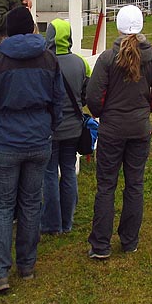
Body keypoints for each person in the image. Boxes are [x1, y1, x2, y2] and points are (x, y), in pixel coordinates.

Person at [0, 6, 64, 295]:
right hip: (39, 139)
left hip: (6, 141)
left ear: (6, 31)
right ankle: (26, 265)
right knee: (30, 204)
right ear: (31, 28)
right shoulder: (49, 58)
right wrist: (50, 127)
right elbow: (58, 101)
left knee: (3, 207)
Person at [87, 5, 152, 259]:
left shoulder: (107, 58)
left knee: (106, 186)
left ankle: (100, 245)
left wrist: (104, 113)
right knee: (135, 184)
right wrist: (143, 110)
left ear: (118, 26)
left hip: (112, 130)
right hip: (139, 129)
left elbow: (93, 97)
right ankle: (129, 240)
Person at [41, 18, 90, 236]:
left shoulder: (43, 63)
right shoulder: (80, 62)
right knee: (69, 171)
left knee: (50, 173)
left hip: (50, 129)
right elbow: (86, 94)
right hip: (74, 129)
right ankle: (67, 221)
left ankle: (52, 224)